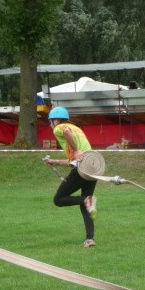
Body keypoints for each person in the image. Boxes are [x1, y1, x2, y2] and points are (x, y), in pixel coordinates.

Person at [45, 106, 98, 248]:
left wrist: (76, 150)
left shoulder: (60, 127)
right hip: (93, 165)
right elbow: (74, 160)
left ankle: (86, 200)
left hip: (81, 168)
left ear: (55, 120)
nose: (50, 125)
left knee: (58, 199)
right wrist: (55, 161)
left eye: (50, 122)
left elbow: (68, 135)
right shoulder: (78, 129)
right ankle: (90, 239)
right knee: (85, 205)